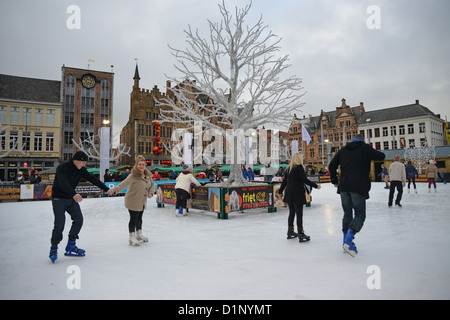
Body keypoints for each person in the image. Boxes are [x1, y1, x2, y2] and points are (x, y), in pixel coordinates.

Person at [49, 151, 112, 263]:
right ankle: (54, 247)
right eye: (83, 162)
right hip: (59, 199)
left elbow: (93, 179)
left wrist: (107, 189)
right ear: (76, 160)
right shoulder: (62, 168)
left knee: (78, 219)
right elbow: (63, 183)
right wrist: (74, 194)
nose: (84, 164)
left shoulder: (81, 170)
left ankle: (71, 245)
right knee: (59, 224)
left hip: (71, 199)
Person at [329, 134, 385, 257]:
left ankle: (345, 240)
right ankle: (349, 238)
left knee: (347, 214)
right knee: (360, 214)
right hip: (358, 186)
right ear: (362, 140)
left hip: (344, 187)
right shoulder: (365, 148)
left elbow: (331, 165)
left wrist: (334, 181)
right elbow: (381, 156)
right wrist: (371, 151)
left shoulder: (343, 150)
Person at [108, 155, 155, 246]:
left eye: (143, 164)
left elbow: (152, 185)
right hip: (133, 200)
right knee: (133, 218)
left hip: (142, 201)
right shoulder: (133, 175)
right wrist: (115, 190)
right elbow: (123, 184)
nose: (141, 166)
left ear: (145, 165)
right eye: (139, 164)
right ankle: (132, 236)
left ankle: (139, 234)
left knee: (139, 218)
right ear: (136, 165)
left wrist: (151, 193)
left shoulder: (148, 175)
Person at [277, 153, 321, 242]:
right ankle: (301, 233)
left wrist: (281, 191)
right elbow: (304, 180)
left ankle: (290, 231)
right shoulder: (299, 167)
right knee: (299, 213)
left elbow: (284, 181)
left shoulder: (289, 168)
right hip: (297, 192)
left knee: (292, 212)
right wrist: (316, 186)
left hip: (289, 192)